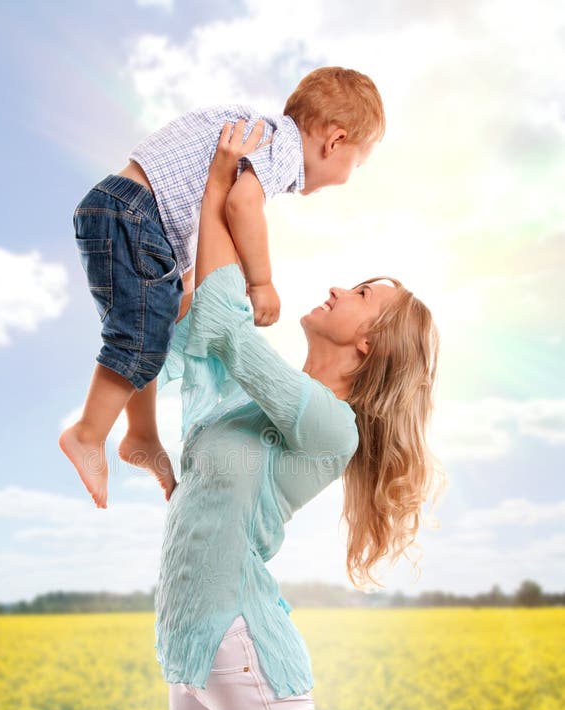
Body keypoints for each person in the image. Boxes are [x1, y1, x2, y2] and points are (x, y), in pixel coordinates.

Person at [153, 120, 441, 710]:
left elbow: (225, 327)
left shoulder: (325, 424)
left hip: (244, 656)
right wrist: (218, 190)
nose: (342, 288)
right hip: (188, 658)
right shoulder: (242, 410)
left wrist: (221, 191)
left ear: (372, 346)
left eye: (363, 296)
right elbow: (217, 312)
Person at [59, 67, 385, 508]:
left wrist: (183, 275)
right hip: (133, 215)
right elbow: (241, 204)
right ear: (335, 141)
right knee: (137, 337)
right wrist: (261, 282)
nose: (352, 173)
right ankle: (88, 434)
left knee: (157, 325)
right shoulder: (283, 147)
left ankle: (141, 435)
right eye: (359, 164)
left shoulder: (260, 130)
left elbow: (203, 196)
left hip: (133, 215)